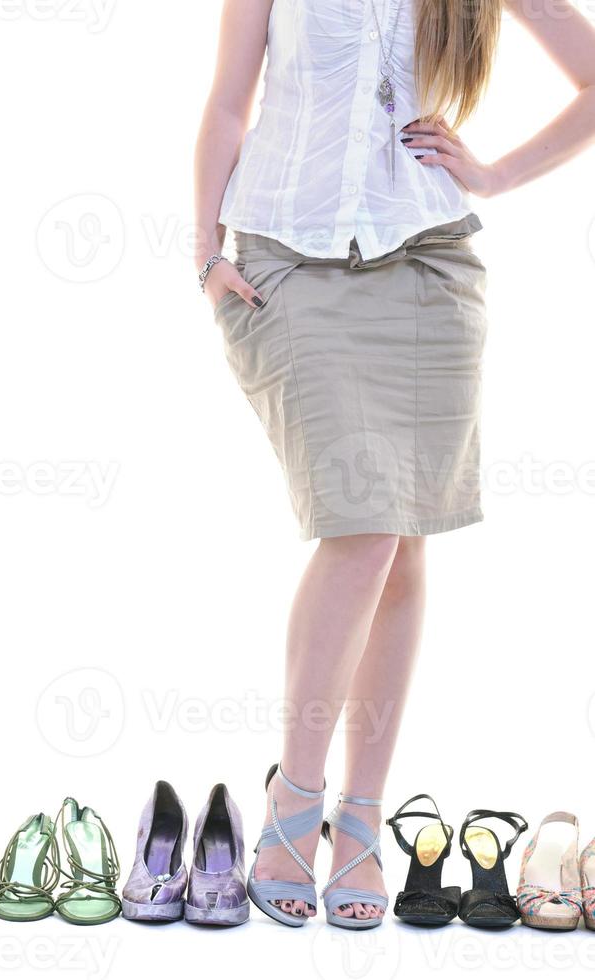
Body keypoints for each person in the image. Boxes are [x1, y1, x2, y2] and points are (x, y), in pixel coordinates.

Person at [193, 0, 595, 928]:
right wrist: (203, 252)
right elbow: (225, 102)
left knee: (404, 539)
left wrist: (492, 175)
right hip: (284, 259)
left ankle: (361, 817)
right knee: (362, 526)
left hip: (428, 265)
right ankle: (295, 801)